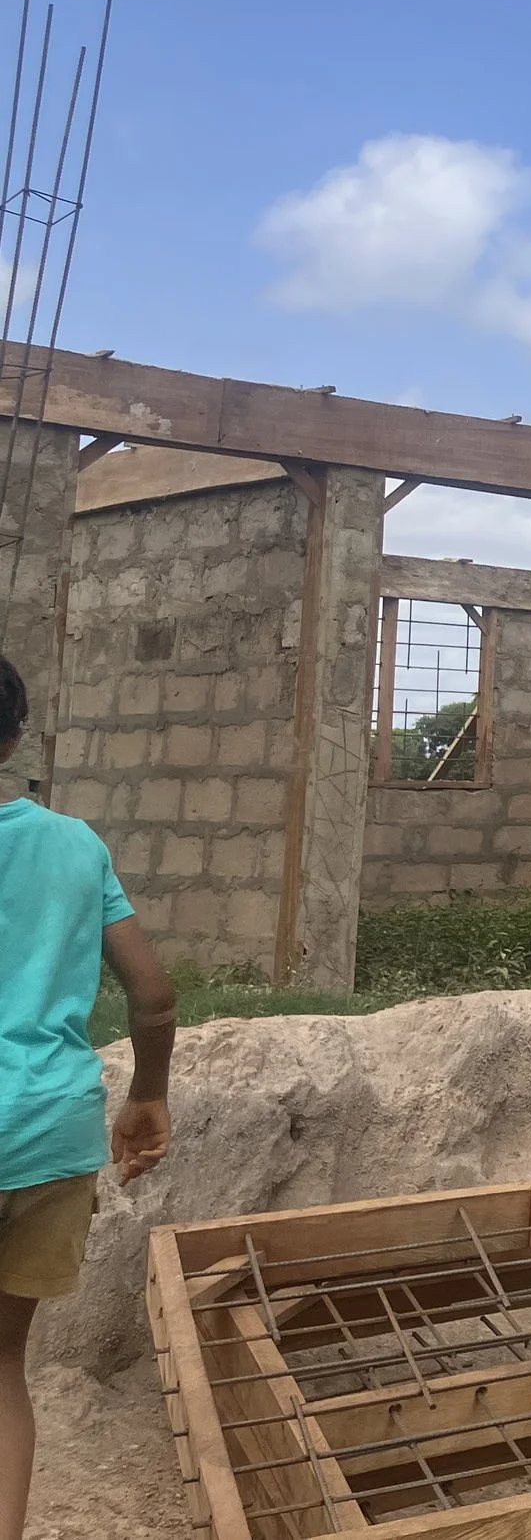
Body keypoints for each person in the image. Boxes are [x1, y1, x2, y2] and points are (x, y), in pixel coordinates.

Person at [0, 654, 176, 1540]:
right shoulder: (75, 844)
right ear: (16, 733)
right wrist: (147, 1097)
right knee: (2, 1368)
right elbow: (153, 993)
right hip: (47, 1136)